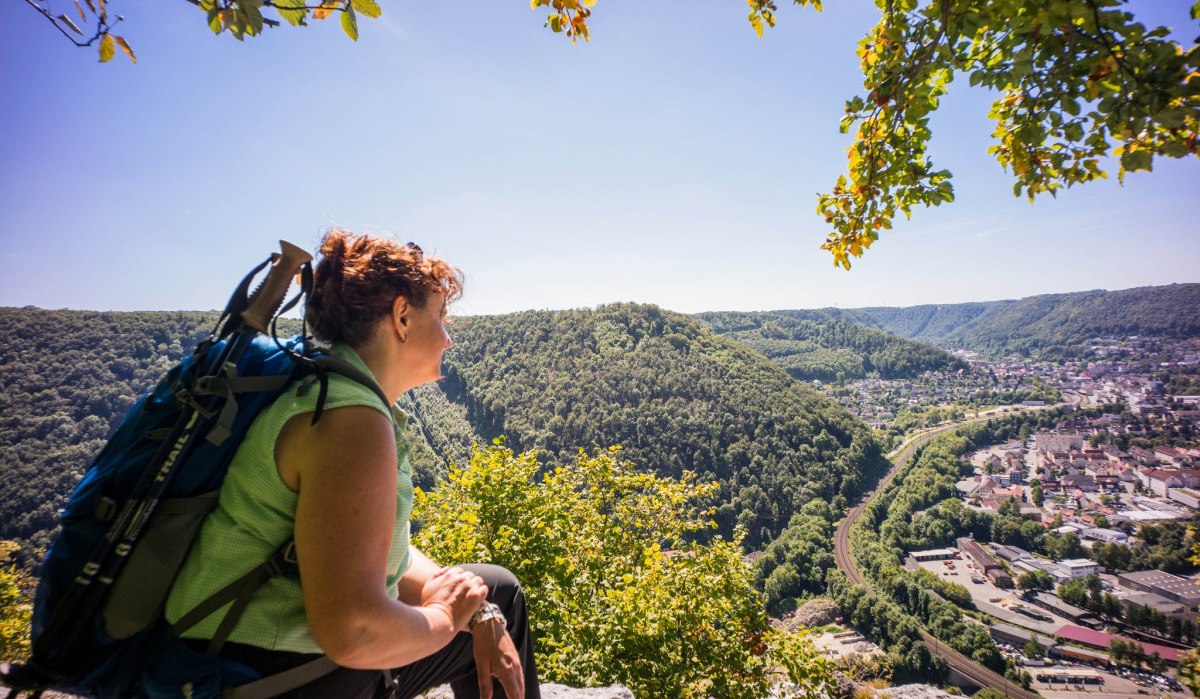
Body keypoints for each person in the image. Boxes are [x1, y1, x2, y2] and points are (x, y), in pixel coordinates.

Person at [165, 230, 539, 698]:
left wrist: (474, 608)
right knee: (498, 593)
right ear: (402, 317)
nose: (447, 339)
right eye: (440, 317)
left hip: (223, 654)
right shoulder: (350, 423)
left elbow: (378, 556)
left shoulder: (326, 389)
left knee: (491, 591)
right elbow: (354, 633)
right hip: (255, 674)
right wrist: (444, 618)